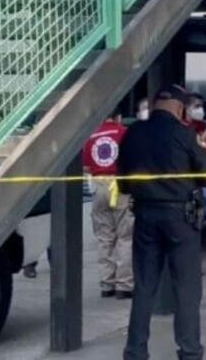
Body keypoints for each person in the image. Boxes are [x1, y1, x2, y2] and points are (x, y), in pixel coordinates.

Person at [118, 85, 206, 360]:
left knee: (144, 286)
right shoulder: (185, 135)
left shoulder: (133, 133)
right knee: (186, 289)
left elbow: (123, 183)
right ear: (180, 107)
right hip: (181, 220)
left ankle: (135, 351)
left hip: (145, 216)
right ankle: (189, 352)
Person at [82, 109, 134, 299]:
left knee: (104, 238)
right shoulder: (124, 133)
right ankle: (124, 285)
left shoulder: (91, 135)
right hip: (120, 185)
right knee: (125, 237)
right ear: (118, 116)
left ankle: (106, 284)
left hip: (98, 186)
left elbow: (86, 166)